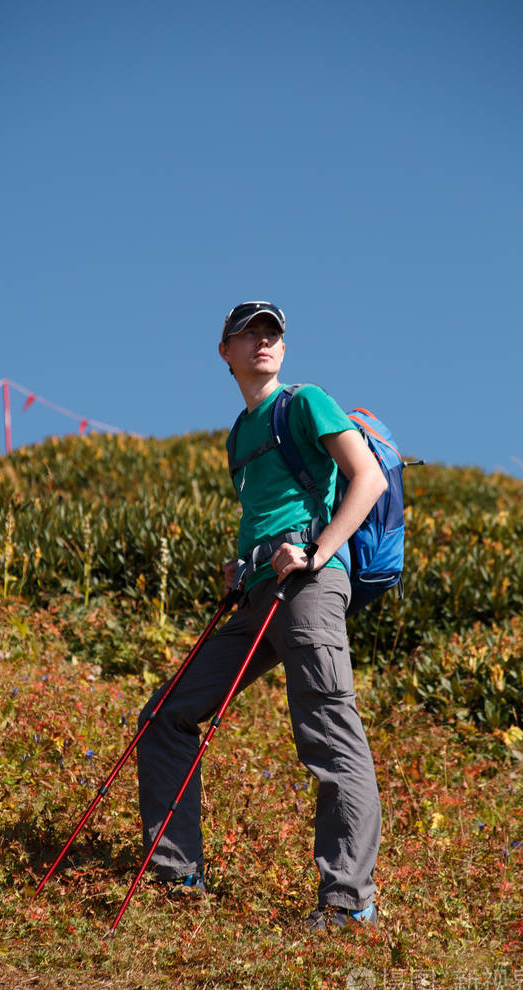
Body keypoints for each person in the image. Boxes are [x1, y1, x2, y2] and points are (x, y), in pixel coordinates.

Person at [137, 300, 387, 929]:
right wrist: (241, 567)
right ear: (225, 352)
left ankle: (348, 902)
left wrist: (317, 550)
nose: (263, 342)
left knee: (328, 738)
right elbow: (268, 515)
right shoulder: (238, 433)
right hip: (258, 598)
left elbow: (367, 479)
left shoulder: (305, 402)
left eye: (272, 333)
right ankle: (176, 875)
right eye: (248, 335)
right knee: (166, 715)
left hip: (311, 588)